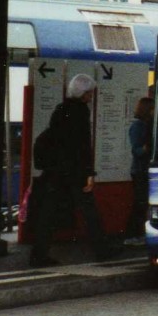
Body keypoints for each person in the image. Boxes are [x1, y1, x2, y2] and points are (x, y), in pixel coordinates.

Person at [28, 74, 119, 266]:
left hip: (55, 170)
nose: (91, 96)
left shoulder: (61, 109)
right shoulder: (81, 111)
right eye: (89, 93)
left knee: (48, 213)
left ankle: (38, 255)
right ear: (83, 93)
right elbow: (82, 145)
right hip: (73, 171)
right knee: (89, 211)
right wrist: (89, 173)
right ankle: (102, 250)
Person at [124, 96, 154, 246]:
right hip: (140, 170)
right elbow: (136, 150)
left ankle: (137, 234)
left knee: (142, 204)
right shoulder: (138, 126)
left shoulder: (146, 125)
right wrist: (148, 147)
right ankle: (132, 235)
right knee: (140, 204)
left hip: (143, 170)